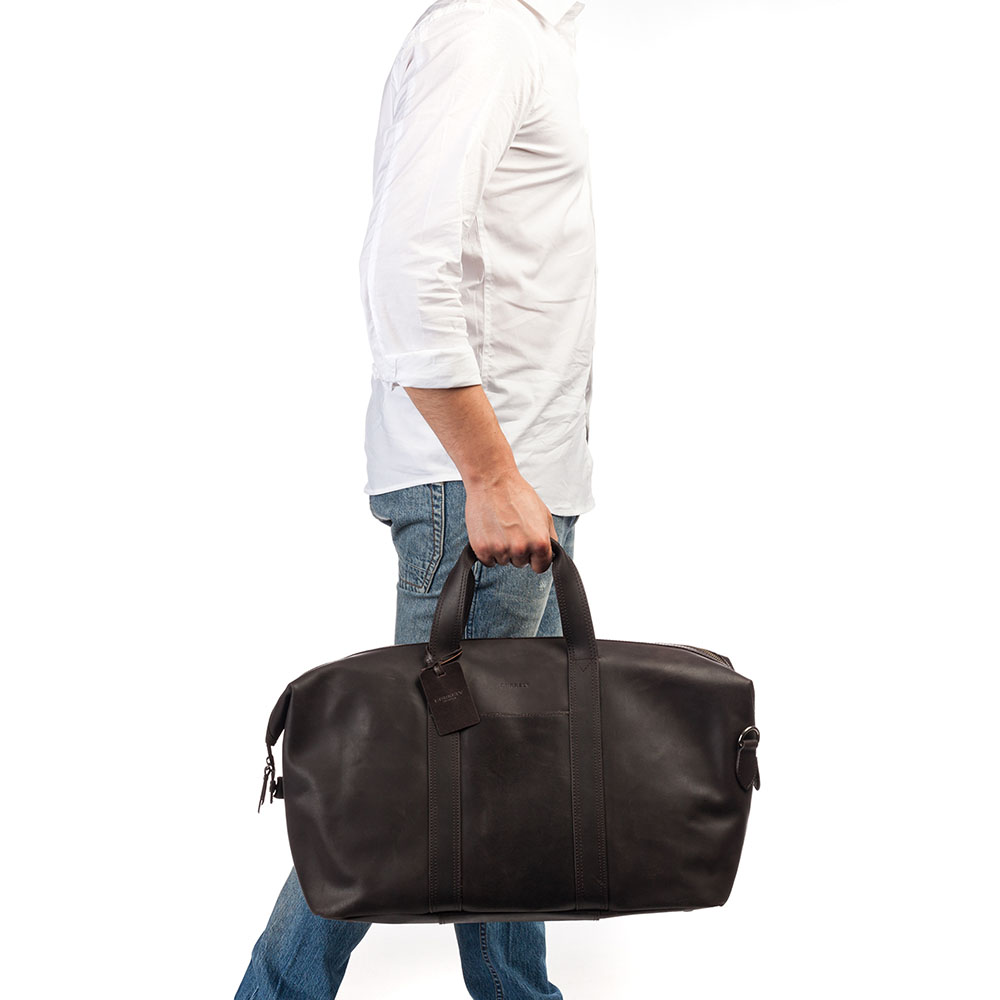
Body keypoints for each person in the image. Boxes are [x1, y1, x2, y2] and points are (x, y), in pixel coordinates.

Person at [235, 1, 596, 996]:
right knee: (402, 784)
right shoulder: (487, 32)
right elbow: (406, 264)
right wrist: (490, 474)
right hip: (479, 485)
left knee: (494, 776)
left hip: (507, 480)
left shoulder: (528, 39)